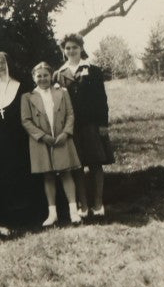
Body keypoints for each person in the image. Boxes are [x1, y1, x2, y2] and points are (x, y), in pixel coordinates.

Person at [56, 33, 114, 218]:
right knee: (77, 166)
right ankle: (84, 205)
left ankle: (98, 204)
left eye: (74, 47)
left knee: (96, 164)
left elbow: (101, 100)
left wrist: (103, 124)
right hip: (72, 127)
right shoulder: (59, 74)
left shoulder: (93, 70)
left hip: (91, 124)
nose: (71, 51)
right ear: (63, 51)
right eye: (68, 48)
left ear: (81, 48)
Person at [0, 50, 34, 234]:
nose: (0, 67)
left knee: (22, 173)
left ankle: (27, 215)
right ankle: (6, 217)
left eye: (2, 63)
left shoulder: (22, 85)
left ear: (9, 63)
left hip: (19, 137)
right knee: (1, 177)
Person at [22, 60, 81, 228]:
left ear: (51, 75)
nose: (42, 79)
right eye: (38, 76)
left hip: (61, 138)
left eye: (45, 75)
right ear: (33, 78)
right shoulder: (27, 97)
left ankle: (73, 211)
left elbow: (70, 114)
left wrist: (66, 133)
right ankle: (52, 213)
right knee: (48, 176)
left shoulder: (62, 92)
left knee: (66, 173)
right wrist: (41, 136)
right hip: (42, 141)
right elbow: (26, 121)